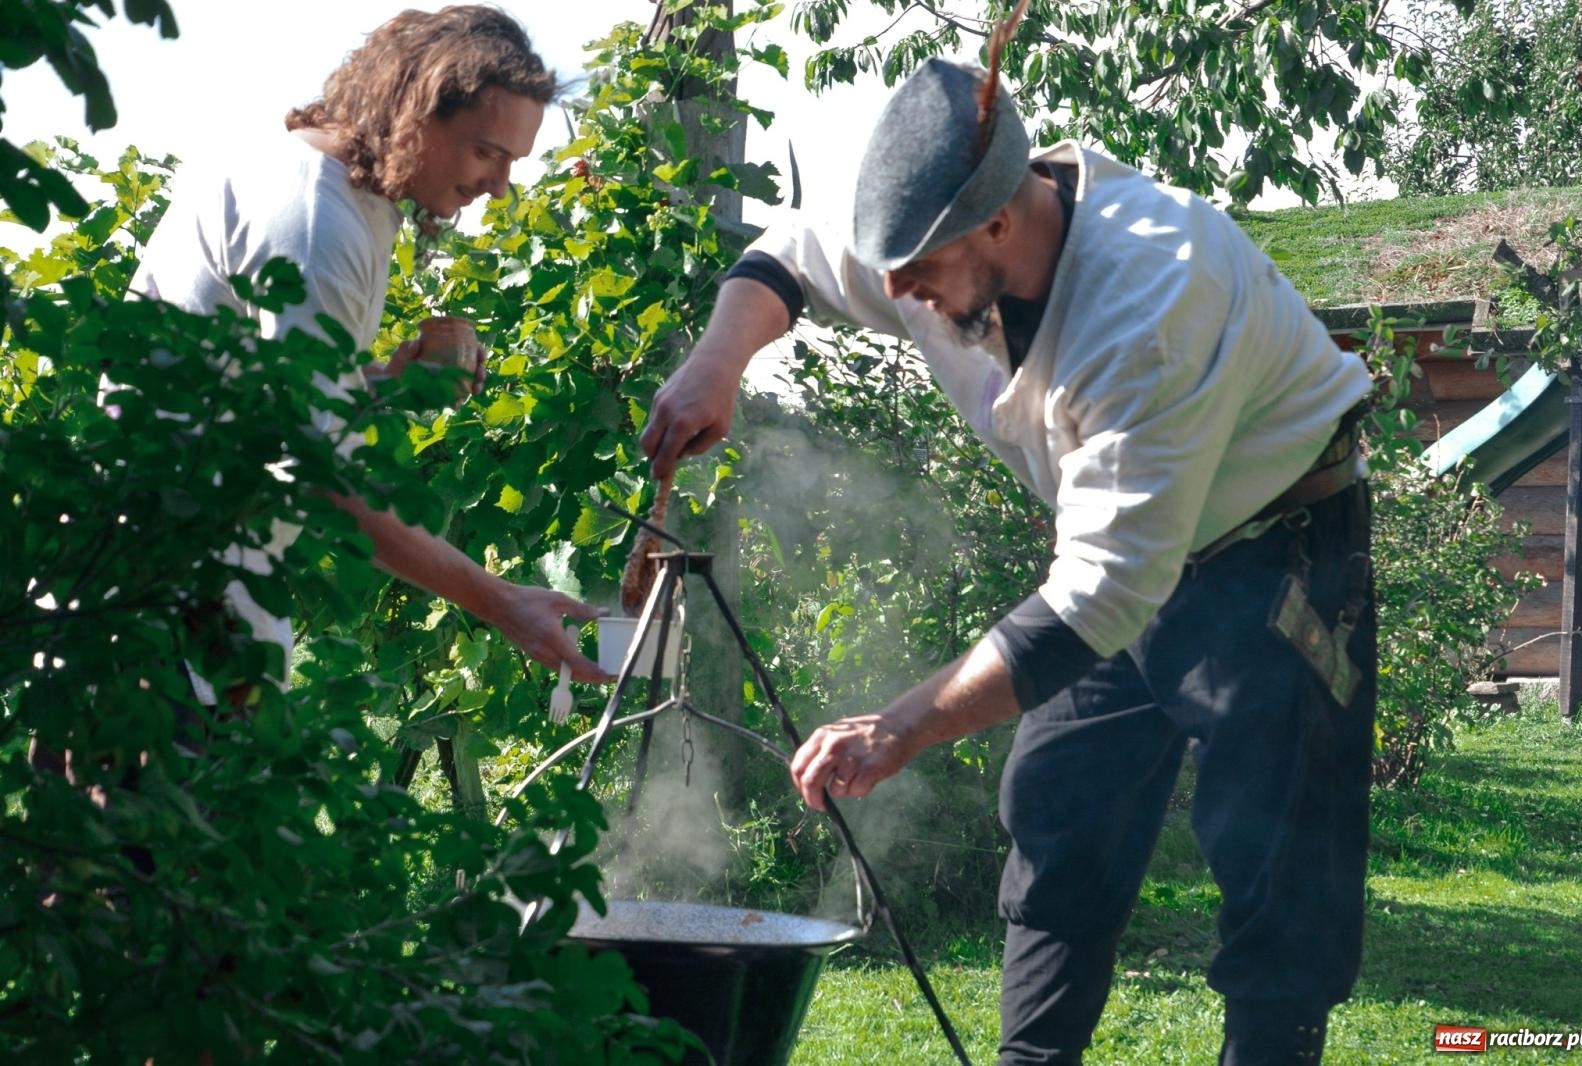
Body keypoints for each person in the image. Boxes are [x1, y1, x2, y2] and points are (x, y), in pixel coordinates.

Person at [641, 55, 1376, 1066]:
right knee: (1057, 806)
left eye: (914, 269)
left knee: (1274, 867)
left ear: (997, 222)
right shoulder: (935, 244)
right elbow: (793, 257)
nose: (893, 292)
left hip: (1275, 558)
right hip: (1122, 563)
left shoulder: (1150, 298)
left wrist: (901, 723)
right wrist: (716, 362)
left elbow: (1102, 596)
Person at [126, 4, 608, 701]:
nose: (500, 184)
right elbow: (323, 477)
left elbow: (260, 407)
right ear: (416, 114)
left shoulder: (326, 189)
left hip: (173, 612)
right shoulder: (316, 225)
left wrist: (384, 383)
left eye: (512, 161)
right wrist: (502, 602)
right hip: (163, 636)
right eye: (487, 152)